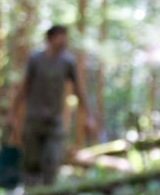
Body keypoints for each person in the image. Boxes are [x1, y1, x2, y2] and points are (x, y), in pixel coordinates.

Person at [7, 25, 95, 186]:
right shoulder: (35, 60)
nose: (64, 40)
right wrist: (12, 112)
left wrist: (88, 116)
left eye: (65, 36)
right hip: (34, 119)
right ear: (51, 39)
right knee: (32, 162)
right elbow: (23, 87)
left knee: (52, 159)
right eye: (61, 36)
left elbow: (79, 89)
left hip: (54, 121)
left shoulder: (68, 62)